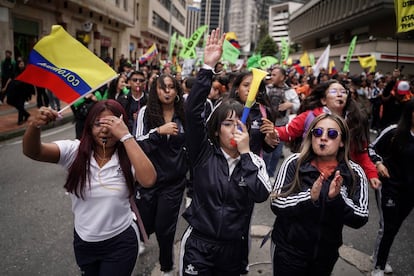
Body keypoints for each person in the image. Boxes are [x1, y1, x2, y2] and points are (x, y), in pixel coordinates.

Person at [22, 100, 157, 276]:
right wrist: (35, 125)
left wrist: (125, 136)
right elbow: (34, 152)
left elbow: (149, 180)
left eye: (112, 123)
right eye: (99, 123)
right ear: (89, 126)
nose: (105, 129)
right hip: (84, 244)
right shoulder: (74, 151)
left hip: (121, 242)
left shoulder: (128, 155)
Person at [180, 28, 272, 275]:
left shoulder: (252, 161)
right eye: (227, 124)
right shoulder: (203, 153)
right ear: (216, 129)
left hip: (234, 248)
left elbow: (262, 194)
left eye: (238, 124)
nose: (233, 130)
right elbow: (191, 112)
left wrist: (245, 155)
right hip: (199, 246)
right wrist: (207, 67)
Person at [270, 113, 369, 276]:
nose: (323, 138)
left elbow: (361, 216)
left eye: (331, 134)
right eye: (317, 132)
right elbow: (277, 203)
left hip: (325, 255)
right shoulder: (294, 162)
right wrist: (309, 197)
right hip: (288, 252)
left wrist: (337, 198)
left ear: (342, 141)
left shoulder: (354, 172)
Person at [264, 80, 382, 190]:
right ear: (324, 100)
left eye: (343, 92)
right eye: (334, 91)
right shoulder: (309, 116)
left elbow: (361, 152)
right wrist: (273, 131)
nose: (339, 94)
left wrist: (372, 174)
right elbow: (287, 132)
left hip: (342, 176)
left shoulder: (355, 122)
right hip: (310, 173)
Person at [134, 74, 188, 276]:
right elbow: (137, 144)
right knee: (145, 222)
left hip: (173, 184)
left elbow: (192, 144)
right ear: (155, 90)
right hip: (148, 181)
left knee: (165, 227)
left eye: (171, 87)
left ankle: (167, 267)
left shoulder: (183, 113)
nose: (167, 91)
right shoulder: (145, 113)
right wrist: (159, 131)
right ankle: (138, 240)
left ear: (177, 91)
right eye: (162, 87)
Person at [368, 98, 414, 276]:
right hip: (389, 187)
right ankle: (379, 265)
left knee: (394, 227)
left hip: (409, 193)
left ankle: (377, 255)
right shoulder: (394, 131)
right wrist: (379, 164)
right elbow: (370, 149)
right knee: (387, 227)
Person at [263, 65, 300, 178]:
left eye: (275, 74)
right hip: (267, 125)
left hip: (281, 125)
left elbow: (298, 106)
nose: (272, 76)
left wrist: (290, 104)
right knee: (266, 153)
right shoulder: (267, 88)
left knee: (277, 153)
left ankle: (270, 175)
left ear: (283, 77)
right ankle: (262, 174)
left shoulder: (290, 91)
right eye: (271, 74)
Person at [5, 59, 34, 124]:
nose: (21, 65)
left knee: (20, 105)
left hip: (23, 91)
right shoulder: (15, 72)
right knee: (10, 101)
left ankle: (20, 120)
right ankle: (26, 114)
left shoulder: (26, 72)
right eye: (20, 64)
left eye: (22, 64)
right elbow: (10, 79)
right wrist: (6, 87)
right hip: (15, 91)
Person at [121, 71, 148, 136]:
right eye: (135, 80)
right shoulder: (123, 100)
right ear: (129, 82)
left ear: (144, 83)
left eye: (141, 80)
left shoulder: (149, 100)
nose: (138, 82)